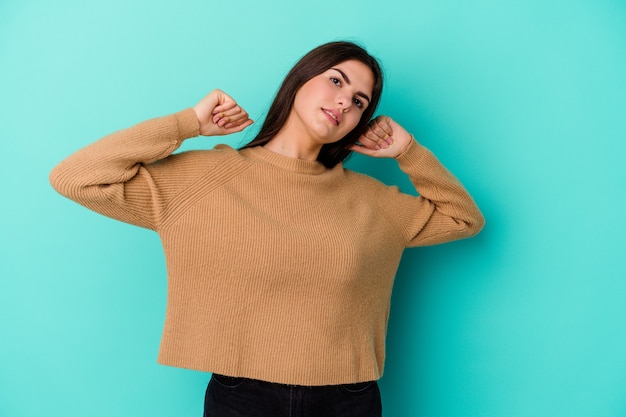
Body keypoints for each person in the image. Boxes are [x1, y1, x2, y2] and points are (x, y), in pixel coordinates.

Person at [50, 41, 485, 417]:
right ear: (301, 79)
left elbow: (464, 218)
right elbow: (75, 177)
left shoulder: (372, 200)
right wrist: (186, 124)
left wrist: (409, 153)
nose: (345, 103)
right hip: (243, 396)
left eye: (360, 102)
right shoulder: (206, 178)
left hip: (348, 399)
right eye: (336, 81)